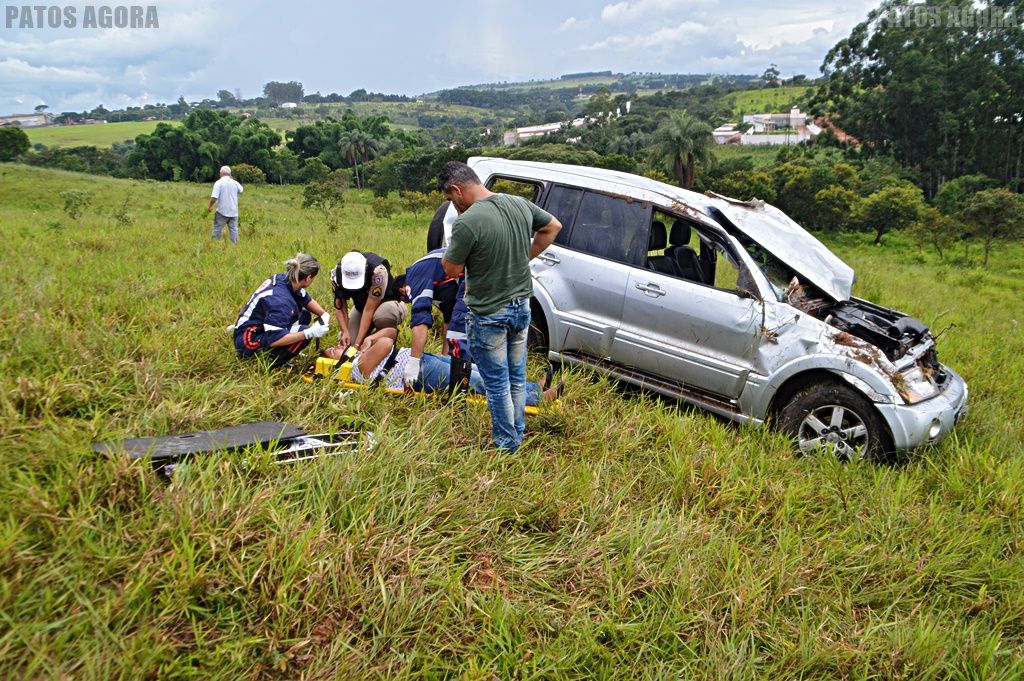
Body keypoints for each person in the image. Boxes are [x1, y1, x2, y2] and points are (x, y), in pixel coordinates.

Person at [439, 161, 562, 453]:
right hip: (521, 307)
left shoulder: (468, 222)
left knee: (497, 384)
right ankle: (517, 432)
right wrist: (525, 255)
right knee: (517, 377)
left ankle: (507, 446)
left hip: (489, 314)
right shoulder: (518, 203)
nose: (453, 206)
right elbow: (552, 226)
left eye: (450, 200)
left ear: (457, 190)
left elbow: (452, 270)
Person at [325, 329, 560, 404]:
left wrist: (369, 338)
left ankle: (531, 387)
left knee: (476, 371)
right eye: (334, 350)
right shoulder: (357, 367)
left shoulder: (363, 355)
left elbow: (391, 332)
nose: (336, 346)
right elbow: (387, 343)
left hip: (421, 360)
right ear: (339, 360)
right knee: (476, 383)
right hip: (418, 375)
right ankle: (535, 398)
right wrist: (369, 345)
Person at [234, 253, 330, 366]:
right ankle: (270, 362)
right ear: (308, 278)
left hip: (251, 327)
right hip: (248, 341)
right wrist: (308, 333)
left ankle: (282, 349)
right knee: (303, 335)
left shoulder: (285, 279)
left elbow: (305, 299)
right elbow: (274, 338)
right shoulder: (281, 302)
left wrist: (324, 314)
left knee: (304, 315)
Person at [401, 248, 471, 388]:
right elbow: (449, 320)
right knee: (468, 366)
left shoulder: (416, 277)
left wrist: (414, 360)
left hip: (473, 273)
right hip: (471, 270)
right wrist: (444, 358)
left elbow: (421, 318)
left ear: (403, 290)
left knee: (463, 352)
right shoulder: (442, 285)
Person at [330, 250, 407, 349]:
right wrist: (345, 331)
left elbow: (369, 309)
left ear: (365, 269)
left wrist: (357, 345)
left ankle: (386, 342)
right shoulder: (336, 274)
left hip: (388, 304)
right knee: (348, 343)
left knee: (381, 316)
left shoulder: (378, 272)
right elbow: (340, 307)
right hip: (361, 307)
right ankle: (367, 343)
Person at [207, 165, 244, 244]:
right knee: (234, 231)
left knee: (217, 229)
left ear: (221, 173)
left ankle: (214, 245)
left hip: (222, 211)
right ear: (230, 174)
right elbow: (241, 190)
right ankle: (234, 247)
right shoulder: (234, 183)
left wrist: (210, 207)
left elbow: (214, 198)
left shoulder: (219, 183)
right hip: (234, 212)